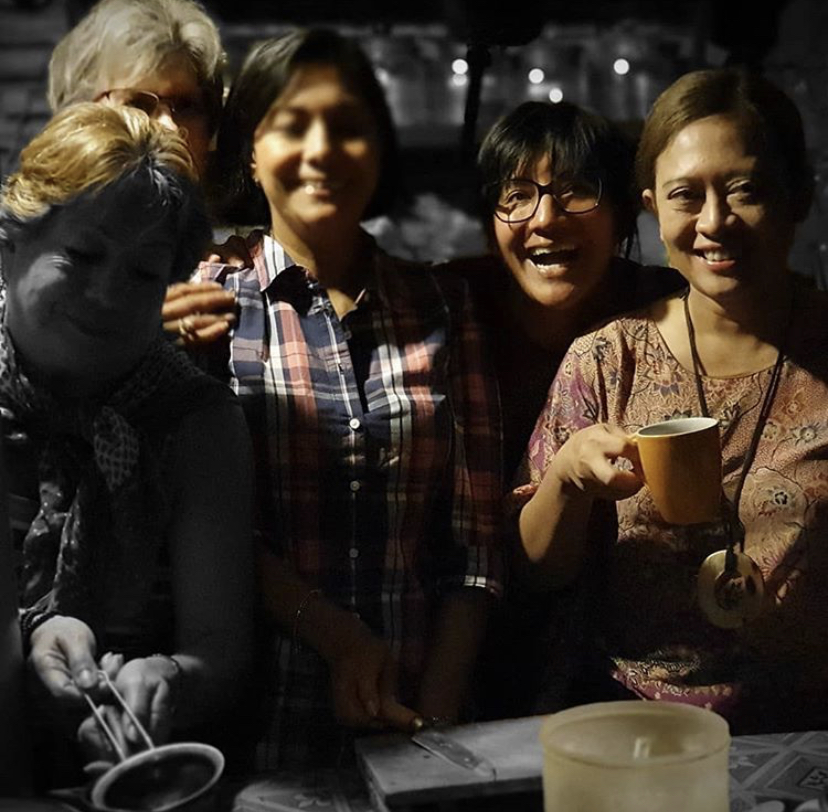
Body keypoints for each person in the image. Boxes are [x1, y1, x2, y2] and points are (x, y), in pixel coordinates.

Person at [198, 28, 503, 769]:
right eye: (292, 125)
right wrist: (337, 638)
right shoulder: (208, 303)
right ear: (252, 151)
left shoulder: (442, 306)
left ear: (379, 149)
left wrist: (435, 721)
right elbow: (205, 530)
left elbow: (476, 543)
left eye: (347, 126)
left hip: (428, 724)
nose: (322, 150)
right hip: (259, 737)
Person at [514, 67, 828, 733]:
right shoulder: (608, 361)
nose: (714, 222)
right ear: (653, 207)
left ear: (799, 195)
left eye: (745, 190)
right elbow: (536, 572)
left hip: (810, 733)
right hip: (636, 729)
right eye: (686, 195)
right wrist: (567, 477)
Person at [1, 103, 254, 785]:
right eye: (82, 255)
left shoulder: (195, 421)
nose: (108, 292)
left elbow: (218, 652)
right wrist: (30, 636)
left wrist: (166, 680)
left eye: (143, 272)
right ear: (10, 244)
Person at [468, 101, 682, 719]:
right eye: (515, 196)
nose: (545, 218)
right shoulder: (451, 308)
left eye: (576, 192)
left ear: (624, 214)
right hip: (478, 643)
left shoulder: (670, 316)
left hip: (627, 659)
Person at [49, 0, 239, 345]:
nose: (169, 127)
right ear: (78, 118)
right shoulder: (29, 261)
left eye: (187, 106)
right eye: (137, 104)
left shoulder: (243, 270)